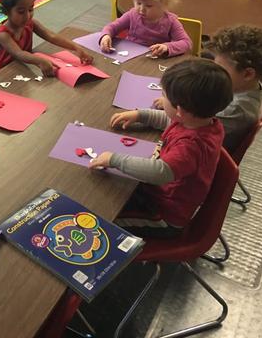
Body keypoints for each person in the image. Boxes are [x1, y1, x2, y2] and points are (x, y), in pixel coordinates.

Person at [89, 59, 233, 237]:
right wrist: (141, 115)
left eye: (164, 96)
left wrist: (114, 159)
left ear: (179, 110)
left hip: (164, 215)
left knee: (103, 224)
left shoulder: (191, 145)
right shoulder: (202, 123)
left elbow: (160, 172)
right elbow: (170, 121)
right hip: (159, 194)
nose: (160, 99)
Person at [0, 0, 93, 76]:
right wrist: (40, 61)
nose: (27, 16)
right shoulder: (3, 35)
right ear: (6, 11)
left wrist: (76, 47)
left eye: (30, 9)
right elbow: (19, 54)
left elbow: (51, 36)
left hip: (24, 70)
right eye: (21, 11)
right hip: (3, 76)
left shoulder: (30, 23)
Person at [204, 25, 262, 152]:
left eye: (220, 68)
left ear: (248, 74)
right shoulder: (250, 85)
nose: (215, 72)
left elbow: (189, 126)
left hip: (205, 152)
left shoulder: (236, 110)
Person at [99, 0, 192, 58]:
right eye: (138, 3)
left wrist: (167, 47)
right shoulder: (132, 14)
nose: (141, 9)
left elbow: (186, 43)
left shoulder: (171, 22)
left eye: (148, 6)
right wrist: (106, 35)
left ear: (164, 4)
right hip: (129, 56)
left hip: (154, 60)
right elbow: (112, 27)